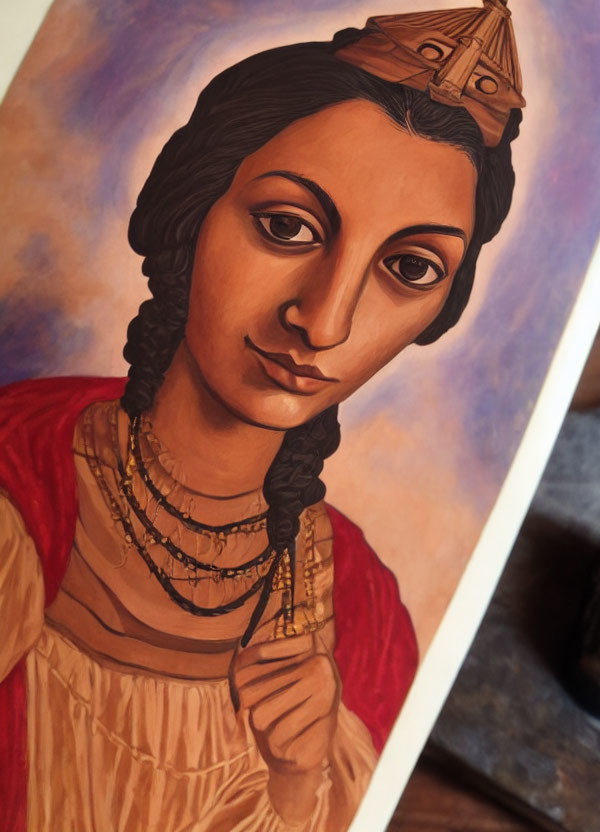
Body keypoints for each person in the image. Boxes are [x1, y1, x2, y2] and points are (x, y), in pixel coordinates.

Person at [0, 2, 524, 830]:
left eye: (410, 267)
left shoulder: (363, 610)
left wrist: (296, 778)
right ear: (193, 207)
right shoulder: (20, 476)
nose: (325, 322)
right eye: (288, 226)